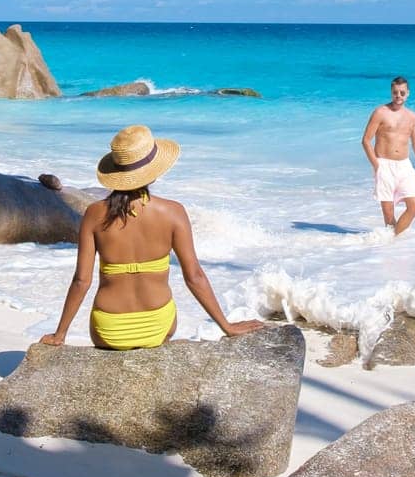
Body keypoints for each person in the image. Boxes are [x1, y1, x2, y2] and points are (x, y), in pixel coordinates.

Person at [40, 123, 265, 350]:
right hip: (158, 325)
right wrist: (226, 326)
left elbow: (82, 281)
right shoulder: (173, 212)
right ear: (153, 172)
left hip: (109, 330)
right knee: (166, 313)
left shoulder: (94, 214)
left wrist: (60, 334)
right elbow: (194, 277)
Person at [361, 75, 415, 235]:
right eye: (395, 93)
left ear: (408, 93)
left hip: (404, 166)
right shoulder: (380, 112)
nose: (398, 96)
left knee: (414, 206)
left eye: (402, 93)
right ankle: (393, 249)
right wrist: (376, 165)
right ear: (391, 92)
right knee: (389, 217)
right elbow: (366, 141)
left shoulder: (412, 117)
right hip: (384, 165)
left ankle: (391, 239)